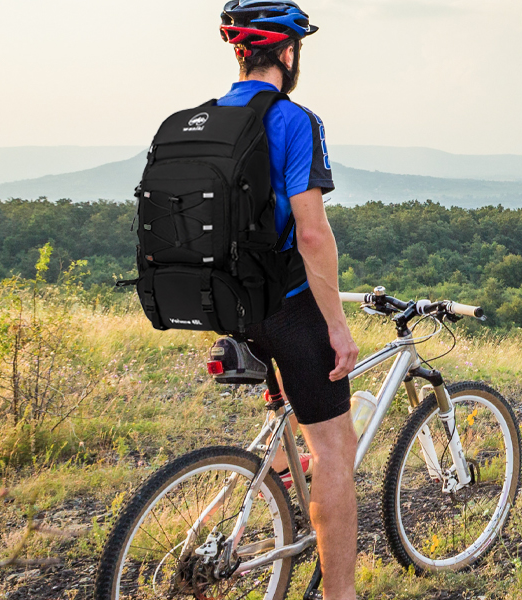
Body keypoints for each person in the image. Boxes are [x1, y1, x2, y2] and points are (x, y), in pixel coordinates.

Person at [219, 1, 360, 597]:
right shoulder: (294, 120)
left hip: (224, 301)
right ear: (288, 52)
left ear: (238, 52)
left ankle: (280, 490)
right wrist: (337, 324)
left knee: (286, 416)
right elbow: (311, 232)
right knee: (334, 446)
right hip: (287, 303)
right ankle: (341, 593)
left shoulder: (205, 118)